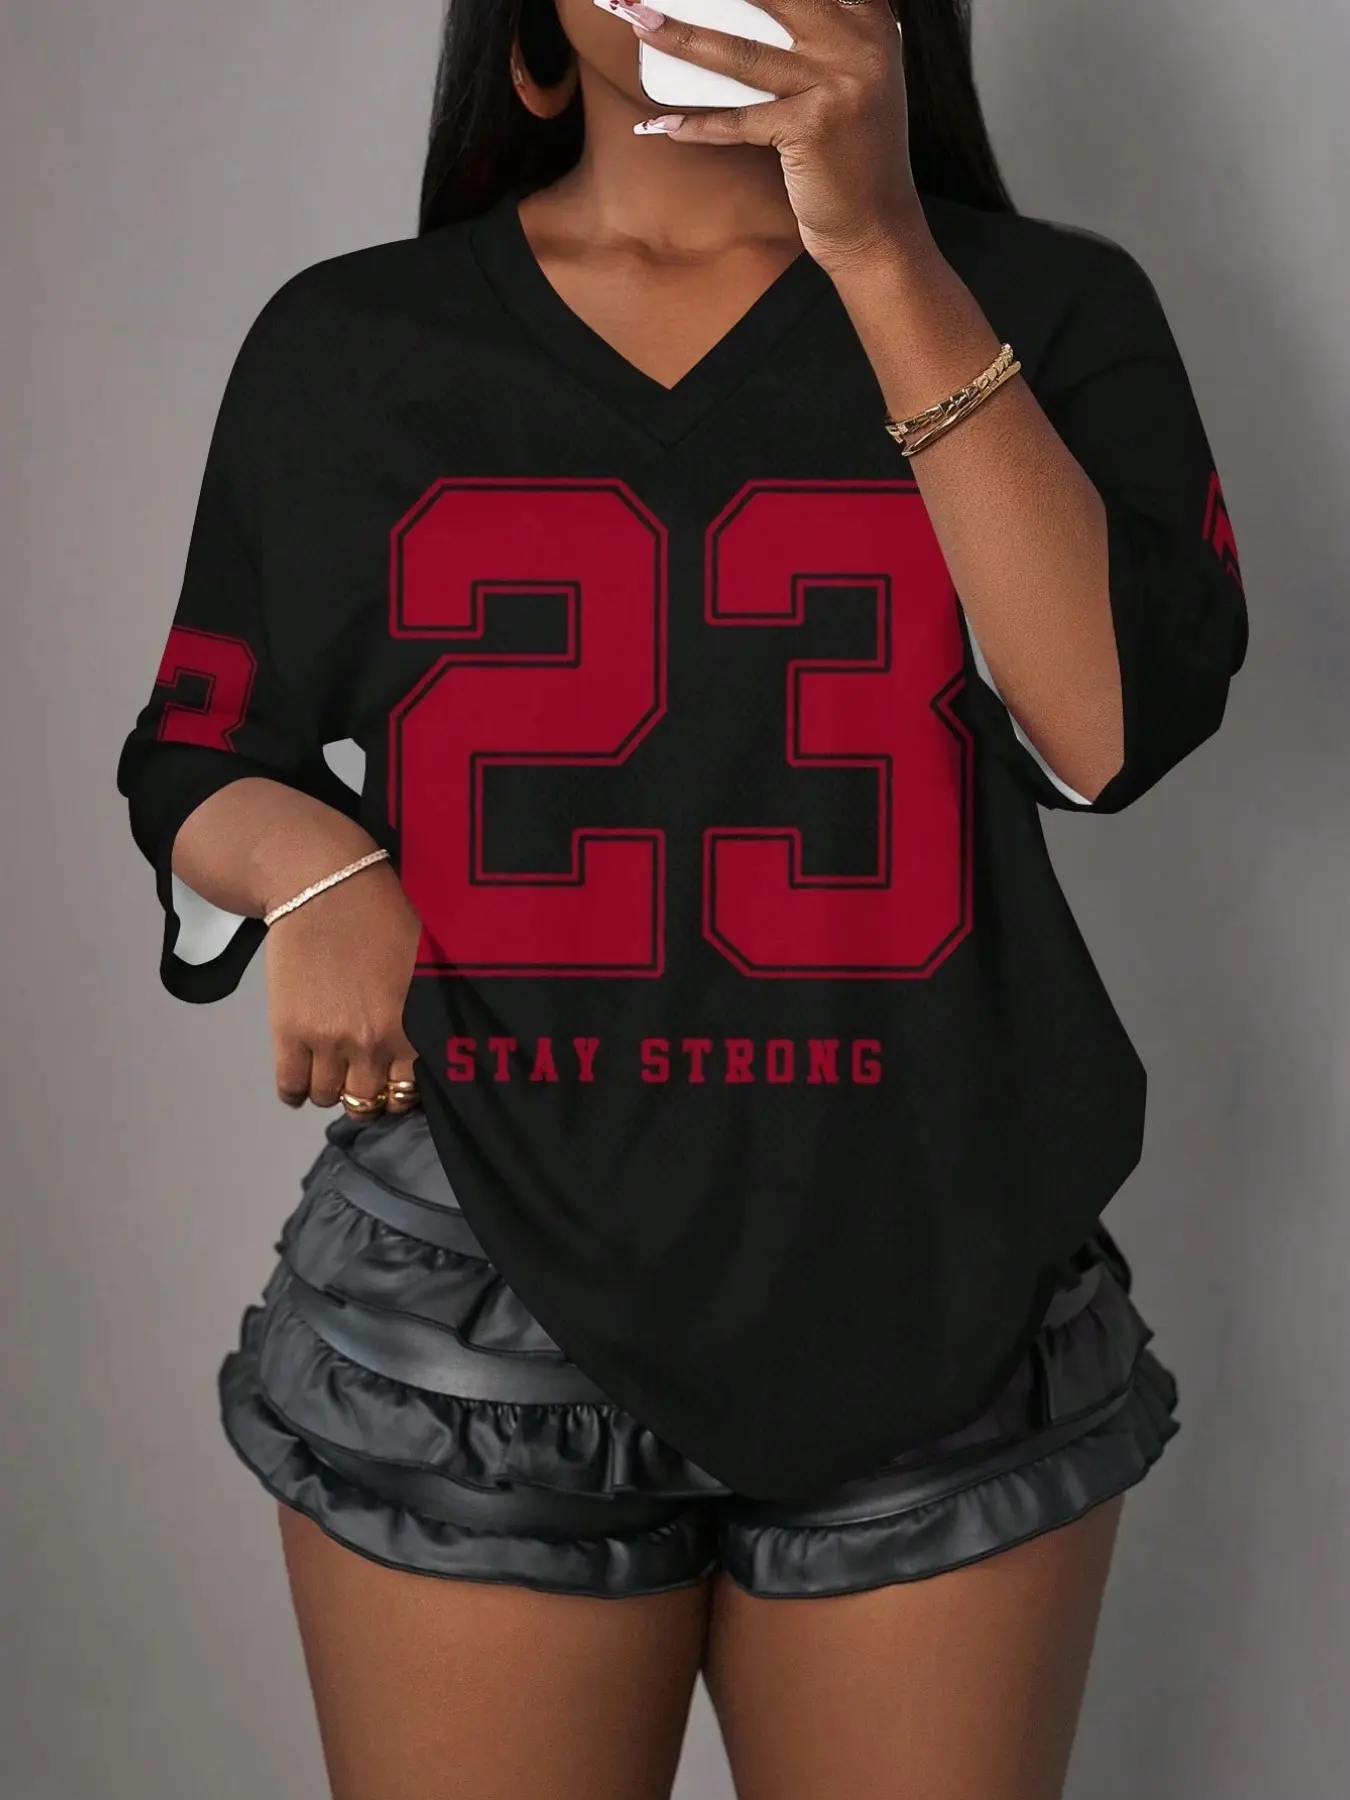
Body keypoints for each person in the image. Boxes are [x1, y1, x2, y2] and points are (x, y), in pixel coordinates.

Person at [115, 0, 1248, 1794]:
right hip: (473, 1259)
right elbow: (196, 748)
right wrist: (318, 867)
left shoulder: (1050, 303)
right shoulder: (351, 342)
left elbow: (1103, 732)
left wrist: (877, 242)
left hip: (936, 1249)